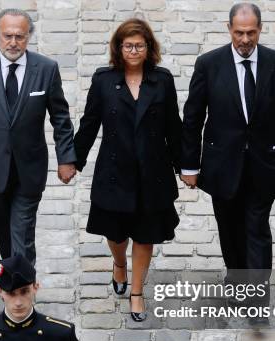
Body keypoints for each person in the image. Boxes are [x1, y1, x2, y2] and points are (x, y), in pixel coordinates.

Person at [180, 3, 275, 325]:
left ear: (260, 29)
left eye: (251, 32)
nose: (245, 39)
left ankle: (258, 301)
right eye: (239, 33)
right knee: (229, 230)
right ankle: (236, 281)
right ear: (228, 29)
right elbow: (193, 118)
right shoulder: (209, 65)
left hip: (265, 163)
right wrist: (189, 166)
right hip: (222, 165)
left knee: (257, 229)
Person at [74, 18, 183, 322]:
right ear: (119, 48)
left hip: (153, 172)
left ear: (149, 48)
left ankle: (136, 293)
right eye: (128, 45)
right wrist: (72, 160)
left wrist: (185, 165)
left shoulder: (162, 80)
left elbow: (174, 127)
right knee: (116, 233)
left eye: (140, 45)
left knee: (145, 235)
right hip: (114, 171)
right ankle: (119, 262)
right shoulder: (104, 80)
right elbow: (89, 124)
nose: (134, 50)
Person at [0, 9, 77, 266]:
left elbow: (61, 119)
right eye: (7, 36)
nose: (13, 42)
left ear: (29, 36)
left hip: (29, 167)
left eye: (19, 36)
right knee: (3, 231)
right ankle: (11, 276)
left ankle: (21, 289)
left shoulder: (46, 68)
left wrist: (67, 158)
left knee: (22, 231)